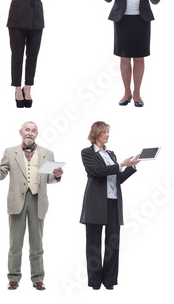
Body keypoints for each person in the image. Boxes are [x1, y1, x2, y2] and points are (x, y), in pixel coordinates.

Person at [0, 121, 63, 290]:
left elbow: (49, 179)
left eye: (33, 131)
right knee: (15, 244)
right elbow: (1, 172)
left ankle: (38, 278)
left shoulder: (48, 153)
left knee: (37, 244)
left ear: (36, 134)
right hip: (17, 201)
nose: (30, 133)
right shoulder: (10, 152)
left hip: (38, 201)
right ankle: (13, 278)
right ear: (21, 132)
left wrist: (57, 176)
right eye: (27, 130)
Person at [88, 0, 160, 107]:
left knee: (140, 57)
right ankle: (127, 92)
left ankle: (137, 93)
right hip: (122, 19)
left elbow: (156, 0)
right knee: (125, 57)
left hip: (142, 19)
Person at [79, 121, 139, 290]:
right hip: (95, 203)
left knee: (113, 244)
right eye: (104, 132)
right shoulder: (87, 152)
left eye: (108, 132)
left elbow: (117, 178)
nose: (107, 135)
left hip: (113, 202)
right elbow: (97, 171)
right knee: (93, 244)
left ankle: (110, 280)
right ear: (96, 133)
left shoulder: (111, 154)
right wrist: (121, 165)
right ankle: (95, 282)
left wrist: (131, 167)